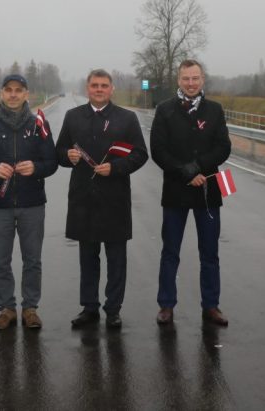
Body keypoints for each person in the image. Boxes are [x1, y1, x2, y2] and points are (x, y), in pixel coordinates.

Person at [57, 70, 148, 330]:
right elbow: (59, 151)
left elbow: (140, 154)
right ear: (87, 88)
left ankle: (113, 309)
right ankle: (89, 308)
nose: (99, 89)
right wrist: (68, 156)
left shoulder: (127, 118)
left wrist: (116, 168)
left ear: (112, 89)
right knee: (88, 258)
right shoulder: (72, 116)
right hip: (83, 198)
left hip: (115, 198)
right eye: (95, 85)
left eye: (104, 85)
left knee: (116, 258)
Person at [0, 74, 57, 331]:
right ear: (1, 93)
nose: (13, 94)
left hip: (32, 203)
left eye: (19, 90)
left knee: (33, 260)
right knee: (0, 260)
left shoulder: (39, 124)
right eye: (8, 90)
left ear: (27, 94)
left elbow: (52, 162)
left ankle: (30, 308)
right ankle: (6, 308)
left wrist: (36, 168)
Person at [150, 59, 232, 327]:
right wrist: (185, 172)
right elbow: (158, 151)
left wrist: (198, 167)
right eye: (186, 78)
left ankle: (211, 305)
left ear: (202, 79)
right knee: (170, 251)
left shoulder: (215, 110)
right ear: (178, 80)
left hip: (208, 191)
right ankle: (166, 304)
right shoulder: (164, 110)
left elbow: (223, 147)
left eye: (195, 78)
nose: (191, 83)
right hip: (176, 191)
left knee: (210, 253)